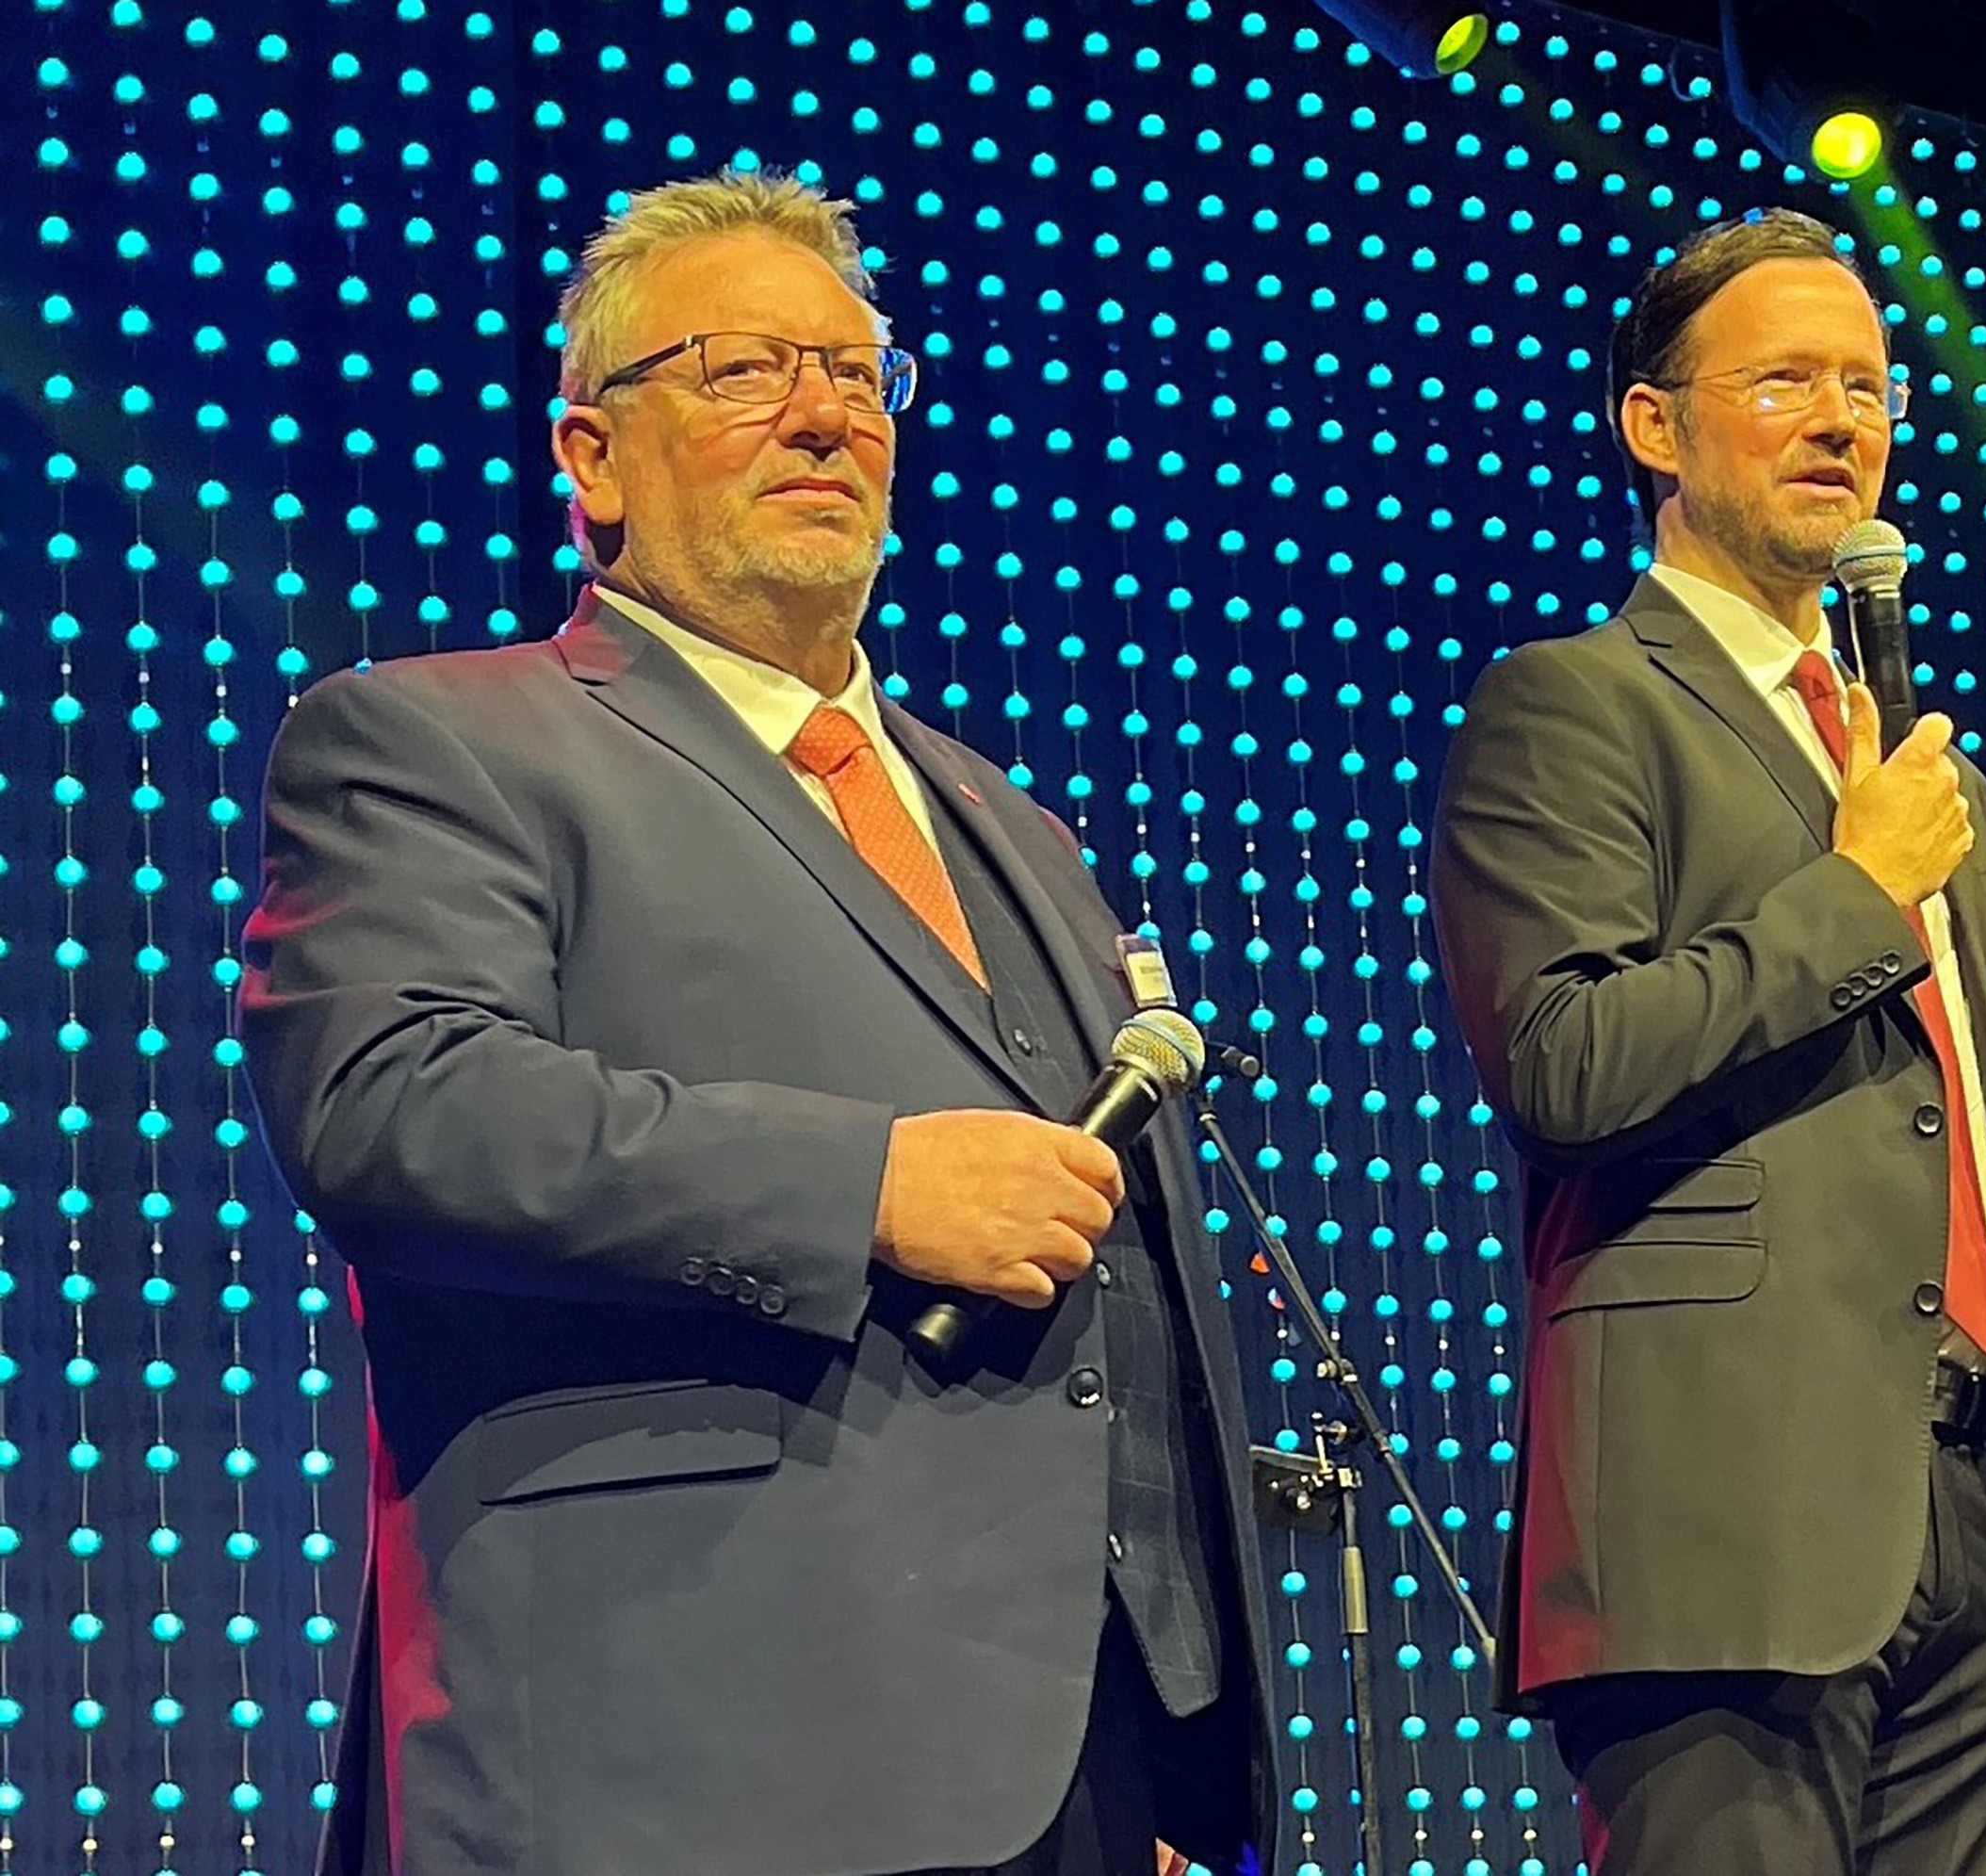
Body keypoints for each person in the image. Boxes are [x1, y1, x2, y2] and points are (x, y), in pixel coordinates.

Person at [238, 171, 1274, 1876]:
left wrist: (1158, 1737)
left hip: (1072, 1770)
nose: (821, 413)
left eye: (859, 374)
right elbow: (390, 1103)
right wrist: (862, 1185)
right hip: (683, 1744)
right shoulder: (435, 740)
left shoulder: (1012, 823)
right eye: (740, 371)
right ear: (589, 459)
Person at [1427, 208, 1986, 1876]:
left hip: (1985, 1501)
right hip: (1722, 1514)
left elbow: (1960, 1119)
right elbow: (1566, 1062)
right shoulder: (1573, 699)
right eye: (1788, 383)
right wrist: (1856, 890)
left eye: (1872, 389)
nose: (1845, 421)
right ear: (1654, 427)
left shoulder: (1924, 768)